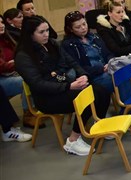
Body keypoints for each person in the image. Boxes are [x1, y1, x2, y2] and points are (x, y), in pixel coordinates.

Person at [15, 16, 112, 156]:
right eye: (41, 32)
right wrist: (69, 86)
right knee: (89, 97)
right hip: (47, 98)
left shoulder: (52, 43)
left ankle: (99, 126)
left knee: (102, 91)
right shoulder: (23, 56)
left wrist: (83, 75)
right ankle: (73, 140)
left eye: (47, 30)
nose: (46, 34)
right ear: (30, 34)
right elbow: (38, 84)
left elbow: (72, 62)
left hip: (63, 84)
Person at [61, 11, 131, 126]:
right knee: (122, 77)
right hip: (93, 76)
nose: (83, 28)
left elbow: (108, 53)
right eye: (78, 27)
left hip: (107, 68)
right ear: (70, 29)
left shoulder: (94, 36)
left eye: (84, 24)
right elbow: (78, 68)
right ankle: (127, 115)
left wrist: (109, 62)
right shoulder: (68, 45)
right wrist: (100, 69)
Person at [0, 14, 34, 128]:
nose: (1, 25)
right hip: (2, 79)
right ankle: (28, 114)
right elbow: (2, 67)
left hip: (12, 73)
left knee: (34, 75)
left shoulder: (6, 38)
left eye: (2, 22)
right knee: (26, 81)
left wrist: (15, 62)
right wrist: (16, 62)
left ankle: (36, 107)